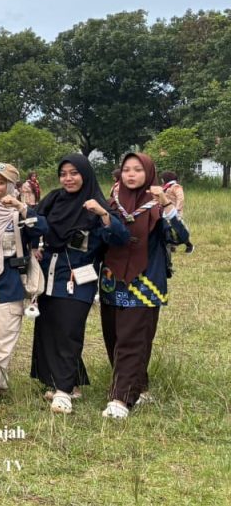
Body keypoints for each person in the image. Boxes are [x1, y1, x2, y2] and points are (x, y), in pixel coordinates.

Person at [31, 154, 128, 414]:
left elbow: (119, 238)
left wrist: (103, 215)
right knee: (49, 329)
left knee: (69, 330)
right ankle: (67, 383)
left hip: (79, 278)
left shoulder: (97, 204)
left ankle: (63, 393)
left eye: (74, 173)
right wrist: (32, 248)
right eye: (63, 173)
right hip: (49, 274)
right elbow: (33, 224)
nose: (68, 178)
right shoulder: (53, 199)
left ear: (85, 174)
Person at [99, 153, 189, 419]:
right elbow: (99, 240)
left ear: (149, 173)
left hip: (145, 283)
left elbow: (178, 237)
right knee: (114, 337)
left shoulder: (158, 205)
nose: (131, 174)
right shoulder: (112, 203)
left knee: (133, 338)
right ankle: (138, 385)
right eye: (126, 169)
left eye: (138, 169)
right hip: (112, 282)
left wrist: (167, 207)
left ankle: (121, 398)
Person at [0, 163, 48, 409]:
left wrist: (23, 208)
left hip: (9, 282)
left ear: (11, 187)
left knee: (0, 337)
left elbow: (44, 229)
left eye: (1, 182)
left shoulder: (19, 213)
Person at [161, 170, 193, 254]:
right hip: (165, 212)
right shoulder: (165, 187)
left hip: (174, 212)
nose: (162, 180)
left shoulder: (175, 186)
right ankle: (171, 246)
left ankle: (189, 245)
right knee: (167, 229)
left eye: (162, 178)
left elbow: (180, 198)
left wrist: (177, 210)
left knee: (179, 229)